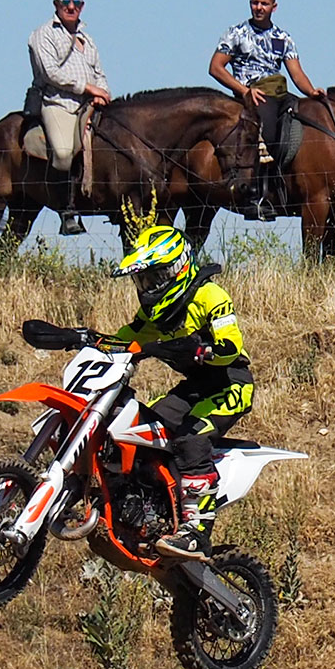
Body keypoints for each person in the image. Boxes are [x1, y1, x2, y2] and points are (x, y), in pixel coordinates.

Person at [108, 225, 253, 558]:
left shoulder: (209, 295)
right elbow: (126, 339)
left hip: (229, 383)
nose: (146, 287)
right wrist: (84, 340)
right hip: (193, 388)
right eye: (142, 280)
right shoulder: (153, 314)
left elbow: (231, 342)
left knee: (190, 438)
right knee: (143, 430)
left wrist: (206, 351)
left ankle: (195, 533)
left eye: (153, 277)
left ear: (177, 267)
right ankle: (151, 511)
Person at [209, 0, 327, 221]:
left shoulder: (283, 38)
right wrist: (244, 91)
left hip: (279, 93)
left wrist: (312, 90)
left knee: (302, 123)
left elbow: (297, 74)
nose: (258, 8)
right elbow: (215, 67)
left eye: (264, 4)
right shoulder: (236, 33)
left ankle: (289, 183)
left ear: (274, 7)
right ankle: (256, 195)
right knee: (267, 131)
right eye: (255, 2)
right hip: (252, 93)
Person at [28, 0, 111, 235]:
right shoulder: (43, 34)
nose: (71, 6)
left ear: (82, 6)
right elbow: (51, 73)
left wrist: (103, 93)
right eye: (66, 1)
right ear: (56, 4)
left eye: (76, 2)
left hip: (90, 105)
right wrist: (88, 88)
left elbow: (99, 72)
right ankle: (67, 211)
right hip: (58, 103)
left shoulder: (88, 39)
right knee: (64, 153)